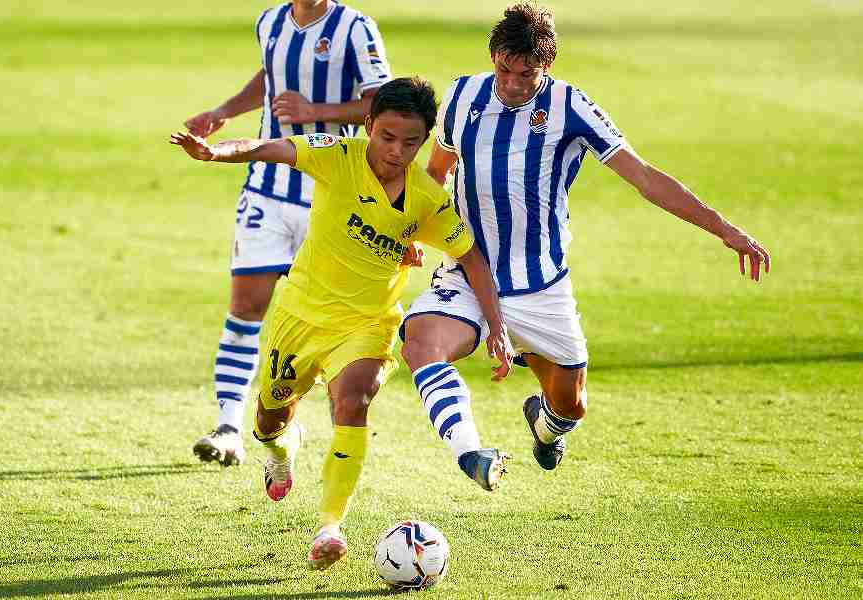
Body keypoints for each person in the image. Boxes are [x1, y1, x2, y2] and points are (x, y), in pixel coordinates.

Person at [400, 3, 771, 482]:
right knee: (421, 343)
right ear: (493, 56)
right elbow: (436, 172)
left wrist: (726, 230)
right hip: (468, 271)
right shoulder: (462, 96)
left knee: (570, 406)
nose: (513, 84)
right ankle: (472, 454)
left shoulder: (570, 107)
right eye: (505, 70)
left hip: (541, 286)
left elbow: (643, 177)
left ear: (546, 66)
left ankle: (546, 425)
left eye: (526, 74)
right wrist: (414, 232)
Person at [171, 77, 514, 570]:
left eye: (411, 143)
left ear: (424, 141)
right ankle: (282, 450)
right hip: (301, 313)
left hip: (367, 324)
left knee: (354, 400)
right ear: (370, 125)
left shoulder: (425, 198)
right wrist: (214, 153)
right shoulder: (337, 154)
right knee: (269, 420)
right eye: (387, 137)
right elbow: (268, 148)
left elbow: (473, 259)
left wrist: (497, 328)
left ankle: (329, 528)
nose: (397, 151)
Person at [186, 0, 392, 466]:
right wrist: (224, 111)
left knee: (323, 320)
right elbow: (270, 76)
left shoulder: (356, 28)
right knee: (245, 308)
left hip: (330, 195)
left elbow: (384, 104)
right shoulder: (270, 20)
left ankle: (289, 423)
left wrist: (315, 110)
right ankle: (228, 427)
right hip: (267, 190)